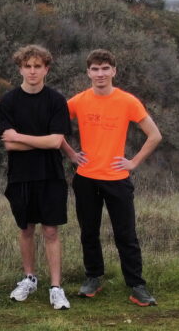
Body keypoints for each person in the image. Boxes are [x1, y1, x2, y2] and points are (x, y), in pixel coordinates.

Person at [64, 49, 162, 306]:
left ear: (114, 71)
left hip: (117, 178)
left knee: (126, 234)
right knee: (89, 232)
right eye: (95, 69)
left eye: (105, 68)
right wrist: (71, 154)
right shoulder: (78, 101)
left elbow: (155, 135)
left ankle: (137, 285)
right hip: (86, 177)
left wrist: (133, 162)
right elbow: (54, 127)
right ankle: (93, 278)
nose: (100, 74)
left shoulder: (127, 101)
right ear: (88, 72)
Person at [0, 45, 72, 310]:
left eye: (37, 66)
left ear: (46, 69)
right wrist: (40, 141)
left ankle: (56, 287)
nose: (32, 71)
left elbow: (56, 142)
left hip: (51, 174)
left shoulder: (56, 100)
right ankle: (29, 278)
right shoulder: (9, 101)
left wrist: (20, 137)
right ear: (20, 69)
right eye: (27, 66)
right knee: (26, 228)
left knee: (50, 230)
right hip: (20, 175)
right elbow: (9, 145)